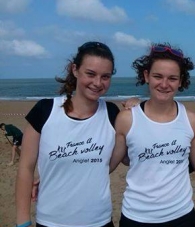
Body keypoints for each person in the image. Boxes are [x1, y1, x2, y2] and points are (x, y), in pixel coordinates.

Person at [15, 41, 120, 227]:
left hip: (99, 221)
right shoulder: (45, 110)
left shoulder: (112, 114)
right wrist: (23, 221)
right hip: (51, 221)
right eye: (90, 74)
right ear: (75, 70)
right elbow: (26, 167)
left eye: (105, 76)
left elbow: (121, 159)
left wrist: (137, 105)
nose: (97, 83)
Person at [109, 42, 195, 227]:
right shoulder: (127, 119)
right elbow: (107, 165)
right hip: (136, 217)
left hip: (182, 216)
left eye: (172, 78)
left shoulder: (192, 121)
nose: (164, 84)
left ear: (181, 80)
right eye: (157, 76)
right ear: (146, 76)